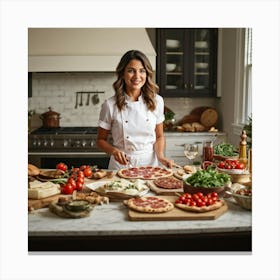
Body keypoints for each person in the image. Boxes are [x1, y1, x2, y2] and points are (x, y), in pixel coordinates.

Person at [96, 50, 174, 170]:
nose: (137, 76)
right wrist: (114, 151)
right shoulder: (110, 105)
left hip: (150, 165)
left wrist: (161, 157)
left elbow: (159, 136)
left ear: (147, 73)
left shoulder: (157, 101)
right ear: (122, 73)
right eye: (131, 71)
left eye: (142, 71)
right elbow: (100, 140)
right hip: (121, 165)